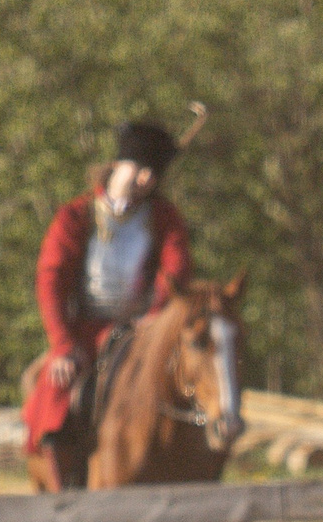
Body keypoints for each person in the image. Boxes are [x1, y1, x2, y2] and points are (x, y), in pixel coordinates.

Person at [22, 119, 194, 491]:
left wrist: (154, 317)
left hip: (145, 330)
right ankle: (63, 501)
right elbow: (50, 280)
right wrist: (64, 345)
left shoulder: (163, 217)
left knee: (200, 388)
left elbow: (176, 269)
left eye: (154, 172)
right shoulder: (75, 216)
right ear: (119, 164)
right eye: (141, 168)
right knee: (55, 394)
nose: (147, 179)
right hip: (86, 329)